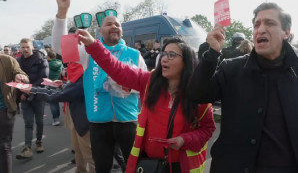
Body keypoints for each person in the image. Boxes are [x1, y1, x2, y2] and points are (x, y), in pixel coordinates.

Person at [77, 29, 216, 173]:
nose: (164, 59)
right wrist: (93, 44)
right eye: (164, 54)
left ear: (186, 62)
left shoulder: (199, 95)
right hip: (150, 165)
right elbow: (117, 68)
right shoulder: (149, 81)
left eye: (172, 55)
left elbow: (207, 129)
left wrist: (184, 140)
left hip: (182, 166)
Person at [188, 2, 298, 173]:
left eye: (269, 23)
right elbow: (196, 94)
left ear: (286, 31)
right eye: (256, 24)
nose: (260, 29)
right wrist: (212, 54)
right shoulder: (231, 68)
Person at [53, 0, 147, 172]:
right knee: (102, 168)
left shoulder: (135, 54)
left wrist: (123, 86)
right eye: (108, 24)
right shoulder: (88, 51)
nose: (114, 26)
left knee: (135, 167)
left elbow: (144, 85)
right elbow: (59, 46)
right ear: (100, 31)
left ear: (122, 31)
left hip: (128, 120)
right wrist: (62, 11)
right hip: (98, 122)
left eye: (117, 24)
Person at [19, 68, 95, 173]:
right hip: (78, 117)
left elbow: (63, 94)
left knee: (89, 155)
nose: (69, 65)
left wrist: (34, 90)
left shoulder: (86, 73)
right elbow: (70, 89)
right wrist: (64, 84)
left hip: (84, 119)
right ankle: (80, 170)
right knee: (79, 151)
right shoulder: (82, 71)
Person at [15, 38, 49, 159]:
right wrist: (20, 93)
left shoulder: (41, 60)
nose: (24, 49)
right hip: (24, 97)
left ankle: (39, 142)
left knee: (39, 121)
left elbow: (43, 79)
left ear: (32, 47)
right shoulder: (17, 61)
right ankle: (27, 148)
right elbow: (15, 78)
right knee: (28, 123)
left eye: (27, 47)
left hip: (38, 96)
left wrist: (28, 92)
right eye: (22, 47)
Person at [0, 54, 28, 173]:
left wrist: (20, 76)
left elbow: (20, 73)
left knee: (4, 146)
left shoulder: (7, 60)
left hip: (3, 109)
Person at [47, 50, 64, 126]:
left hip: (51, 84)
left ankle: (56, 119)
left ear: (48, 56)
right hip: (60, 83)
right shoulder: (60, 63)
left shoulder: (48, 64)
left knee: (53, 103)